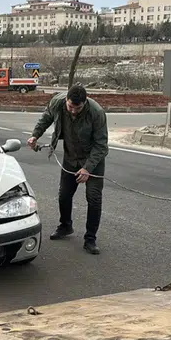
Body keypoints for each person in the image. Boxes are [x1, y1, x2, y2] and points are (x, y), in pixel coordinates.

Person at [27, 85, 108, 255]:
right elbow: (46, 119)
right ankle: (65, 225)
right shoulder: (57, 102)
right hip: (71, 157)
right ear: (66, 101)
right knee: (64, 194)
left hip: (93, 161)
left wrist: (87, 168)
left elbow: (101, 146)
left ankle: (90, 239)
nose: (73, 111)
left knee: (93, 198)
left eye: (77, 108)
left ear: (84, 103)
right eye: (70, 107)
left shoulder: (96, 113)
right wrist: (35, 135)